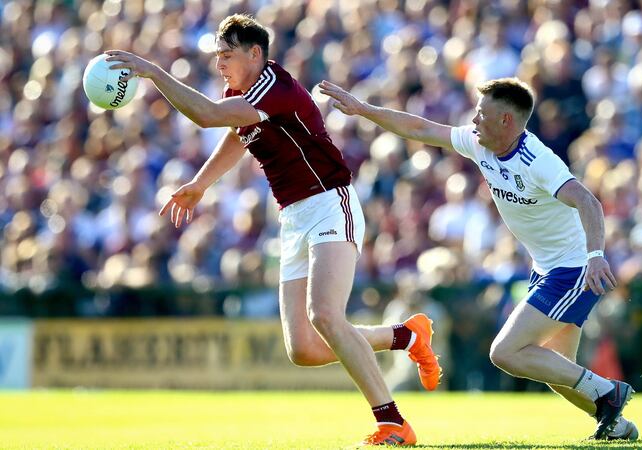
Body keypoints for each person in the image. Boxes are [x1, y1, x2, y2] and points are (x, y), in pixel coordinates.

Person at [105, 14, 441, 446]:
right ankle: (407, 335)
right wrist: (200, 184)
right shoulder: (242, 92)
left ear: (255, 54)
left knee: (324, 316)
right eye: (217, 57)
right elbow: (235, 132)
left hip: (329, 202)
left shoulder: (272, 87)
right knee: (303, 349)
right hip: (294, 217)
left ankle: (393, 423)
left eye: (226, 56)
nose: (219, 64)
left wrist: (153, 71)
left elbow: (208, 116)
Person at [321, 77, 637, 440]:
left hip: (573, 268)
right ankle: (617, 425)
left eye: (482, 113)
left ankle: (610, 393)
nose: (473, 119)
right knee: (559, 373)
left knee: (505, 353)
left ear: (506, 121)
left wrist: (596, 255)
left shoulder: (538, 161)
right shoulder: (480, 143)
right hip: (547, 266)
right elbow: (420, 127)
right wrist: (363, 109)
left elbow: (588, 202)